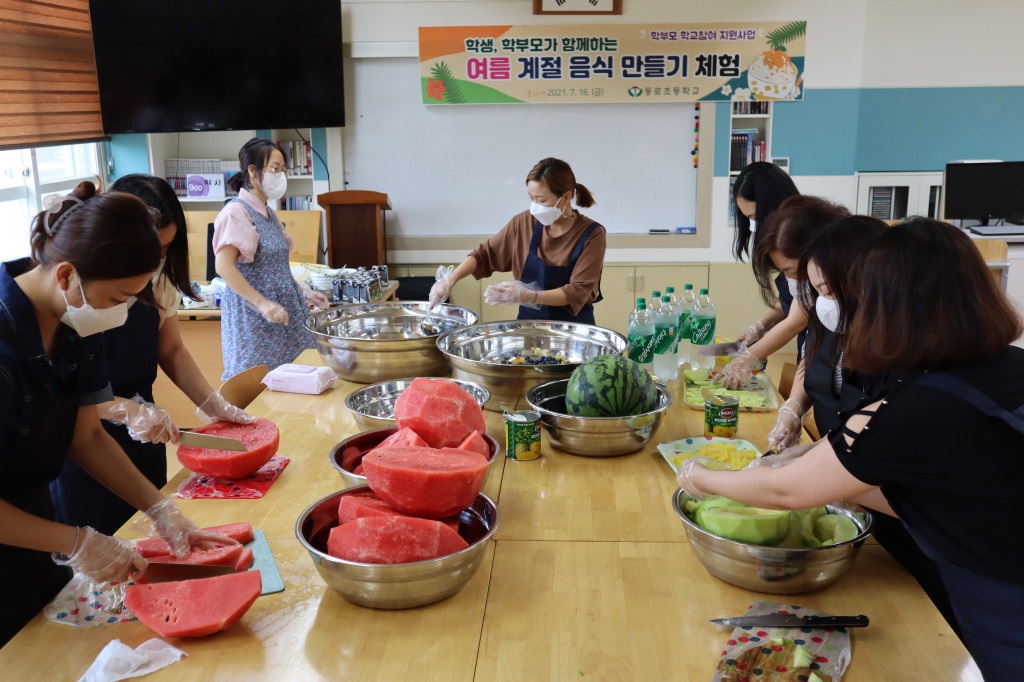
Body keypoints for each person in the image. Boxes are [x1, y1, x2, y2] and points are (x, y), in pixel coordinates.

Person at [678, 218, 1024, 676]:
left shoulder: (920, 406)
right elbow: (952, 490)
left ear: (892, 304)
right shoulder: (1004, 365)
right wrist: (811, 456)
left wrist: (699, 477)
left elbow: (787, 491)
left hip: (1005, 595)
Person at [0, 182, 225, 646]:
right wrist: (77, 542)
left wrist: (160, 509)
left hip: (34, 526)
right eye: (118, 298)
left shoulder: (72, 322)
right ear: (67, 275)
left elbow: (86, 435)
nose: (121, 313)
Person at [766, 215, 961, 637]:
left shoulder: (907, 359)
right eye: (817, 292)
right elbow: (812, 365)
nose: (823, 303)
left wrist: (817, 470)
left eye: (828, 290)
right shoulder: (834, 325)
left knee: (923, 633)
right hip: (862, 517)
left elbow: (900, 474)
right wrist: (794, 409)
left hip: (916, 537)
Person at [50, 175, 255, 537]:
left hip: (146, 437)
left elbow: (171, 348)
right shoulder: (70, 297)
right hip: (82, 454)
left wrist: (213, 403)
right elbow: (62, 402)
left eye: (164, 249)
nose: (156, 261)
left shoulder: (157, 280)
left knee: (153, 539)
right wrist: (122, 409)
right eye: (151, 248)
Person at [428, 157, 606, 324]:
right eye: (531, 198)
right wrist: (449, 280)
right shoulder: (524, 222)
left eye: (541, 200)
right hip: (528, 328)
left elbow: (578, 291)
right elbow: (485, 254)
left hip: (574, 332)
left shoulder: (592, 234)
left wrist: (530, 296)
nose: (534, 206)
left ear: (566, 197)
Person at [214, 138, 328, 379]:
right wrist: (262, 304)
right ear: (252, 171)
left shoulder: (269, 213)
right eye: (275, 169)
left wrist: (304, 292)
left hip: (284, 314)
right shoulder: (236, 211)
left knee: (294, 379)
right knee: (258, 383)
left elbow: (275, 268)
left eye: (283, 170)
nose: (280, 176)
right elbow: (223, 266)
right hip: (255, 319)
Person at [717, 195, 850, 388]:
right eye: (783, 272)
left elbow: (795, 322)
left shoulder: (843, 284)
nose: (790, 280)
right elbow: (810, 354)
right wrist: (759, 327)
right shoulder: (810, 282)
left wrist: (748, 358)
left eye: (792, 271)